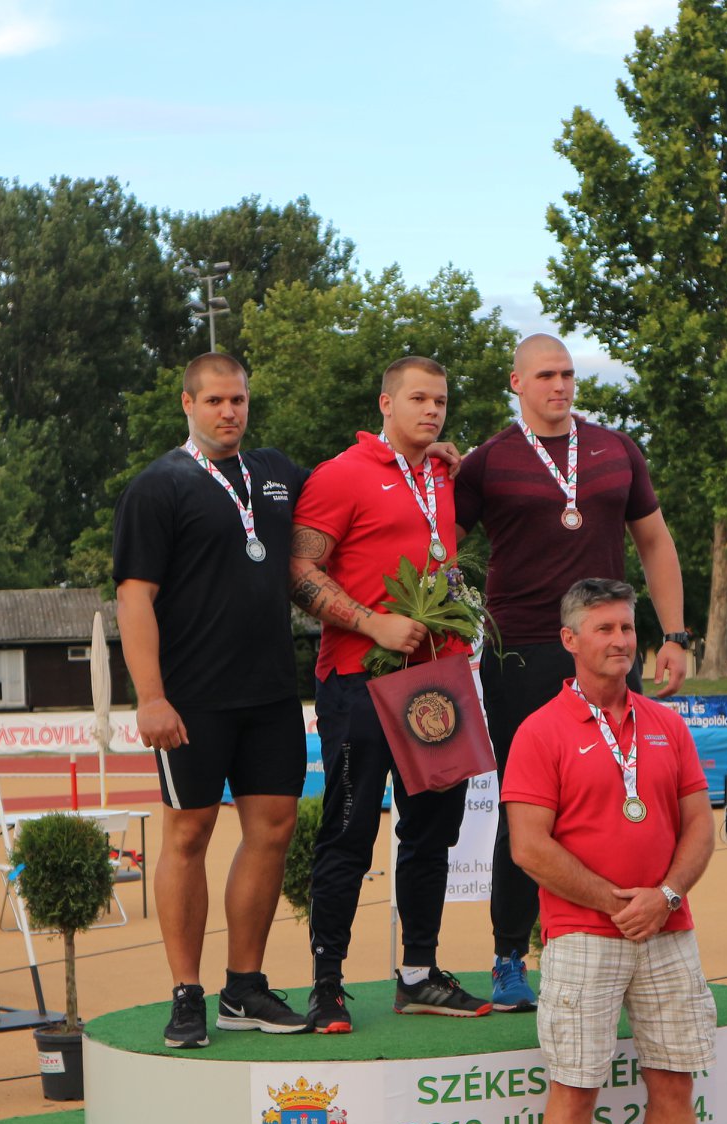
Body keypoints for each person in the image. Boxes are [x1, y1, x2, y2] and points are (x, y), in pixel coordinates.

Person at [503, 578, 727, 1124]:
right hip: (582, 933)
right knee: (575, 1090)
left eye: (628, 628)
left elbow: (700, 827)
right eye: (604, 629)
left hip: (669, 929)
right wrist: (615, 903)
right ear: (570, 640)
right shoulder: (540, 730)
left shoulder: (667, 725)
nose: (621, 641)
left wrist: (665, 896)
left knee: (673, 1083)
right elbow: (528, 847)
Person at [453, 333, 694, 1013]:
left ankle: (632, 934)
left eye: (567, 373)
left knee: (626, 794)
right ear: (516, 383)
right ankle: (509, 955)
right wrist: (429, 465)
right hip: (521, 651)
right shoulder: (488, 462)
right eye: (545, 376)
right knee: (526, 808)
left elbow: (655, 542)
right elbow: (436, 540)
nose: (559, 385)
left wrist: (674, 635)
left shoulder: (616, 450)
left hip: (607, 645)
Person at [112, 352, 311, 1049]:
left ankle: (244, 988)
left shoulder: (276, 473)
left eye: (239, 400)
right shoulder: (158, 486)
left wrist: (426, 454)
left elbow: (351, 489)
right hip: (192, 698)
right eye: (216, 400)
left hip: (272, 692)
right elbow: (134, 599)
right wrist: (151, 697)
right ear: (188, 404)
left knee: (274, 830)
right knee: (189, 833)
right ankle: (186, 992)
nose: (230, 411)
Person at [288, 356, 491, 1032]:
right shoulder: (340, 475)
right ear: (385, 403)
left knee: (433, 833)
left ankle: (419, 974)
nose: (431, 410)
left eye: (440, 401)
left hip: (438, 679)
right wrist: (371, 622)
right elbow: (299, 568)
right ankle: (327, 984)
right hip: (360, 677)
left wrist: (447, 457)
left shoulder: (443, 472)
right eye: (418, 399)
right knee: (348, 833)